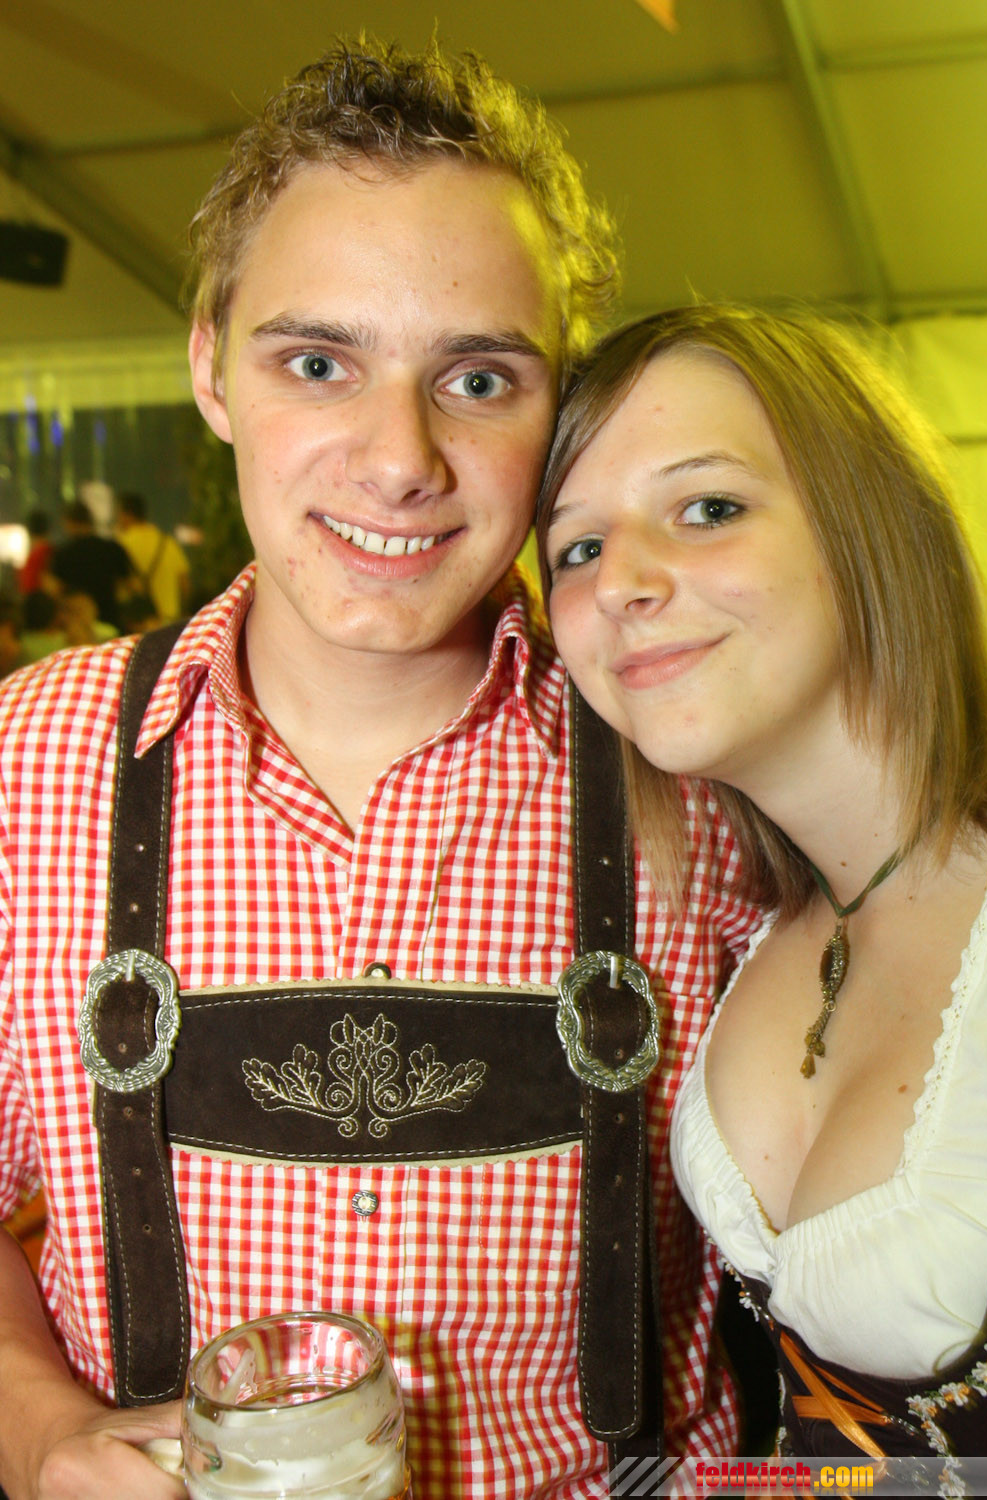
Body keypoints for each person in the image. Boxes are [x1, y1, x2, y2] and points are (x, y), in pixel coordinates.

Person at [0, 45, 755, 1500]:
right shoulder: (29, 766)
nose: (401, 459)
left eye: (476, 378)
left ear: (560, 413)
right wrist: (38, 1433)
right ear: (210, 368)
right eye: (318, 363)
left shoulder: (700, 771)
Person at [538, 303, 987, 1463]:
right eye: (576, 548)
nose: (621, 582)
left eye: (707, 508)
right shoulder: (743, 911)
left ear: (871, 520)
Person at [50, 499, 135, 632]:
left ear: (69, 522)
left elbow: (55, 590)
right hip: (111, 618)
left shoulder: (63, 553)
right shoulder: (112, 548)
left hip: (79, 624)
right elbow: (128, 585)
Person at [115, 492, 190, 624]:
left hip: (136, 623)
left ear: (126, 515)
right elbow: (184, 584)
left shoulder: (121, 544)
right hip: (169, 621)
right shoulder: (167, 542)